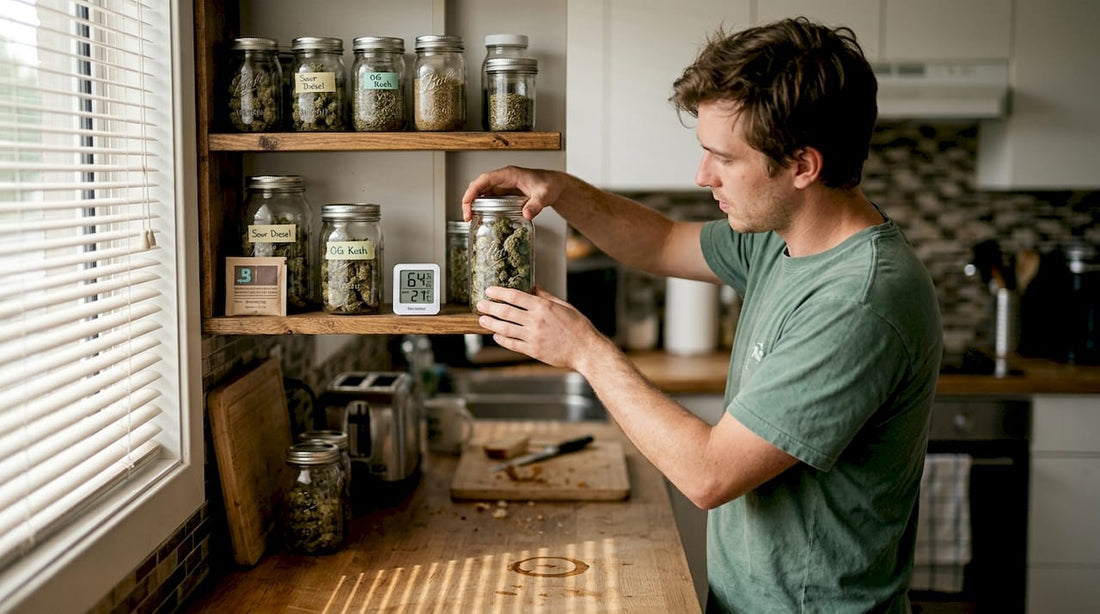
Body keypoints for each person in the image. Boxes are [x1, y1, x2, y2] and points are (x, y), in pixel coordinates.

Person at [461, 17, 942, 613]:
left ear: (802, 166)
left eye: (723, 158)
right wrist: (560, 189)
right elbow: (659, 241)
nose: (702, 175)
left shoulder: (858, 300)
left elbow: (709, 474)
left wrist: (585, 349)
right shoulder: (783, 236)